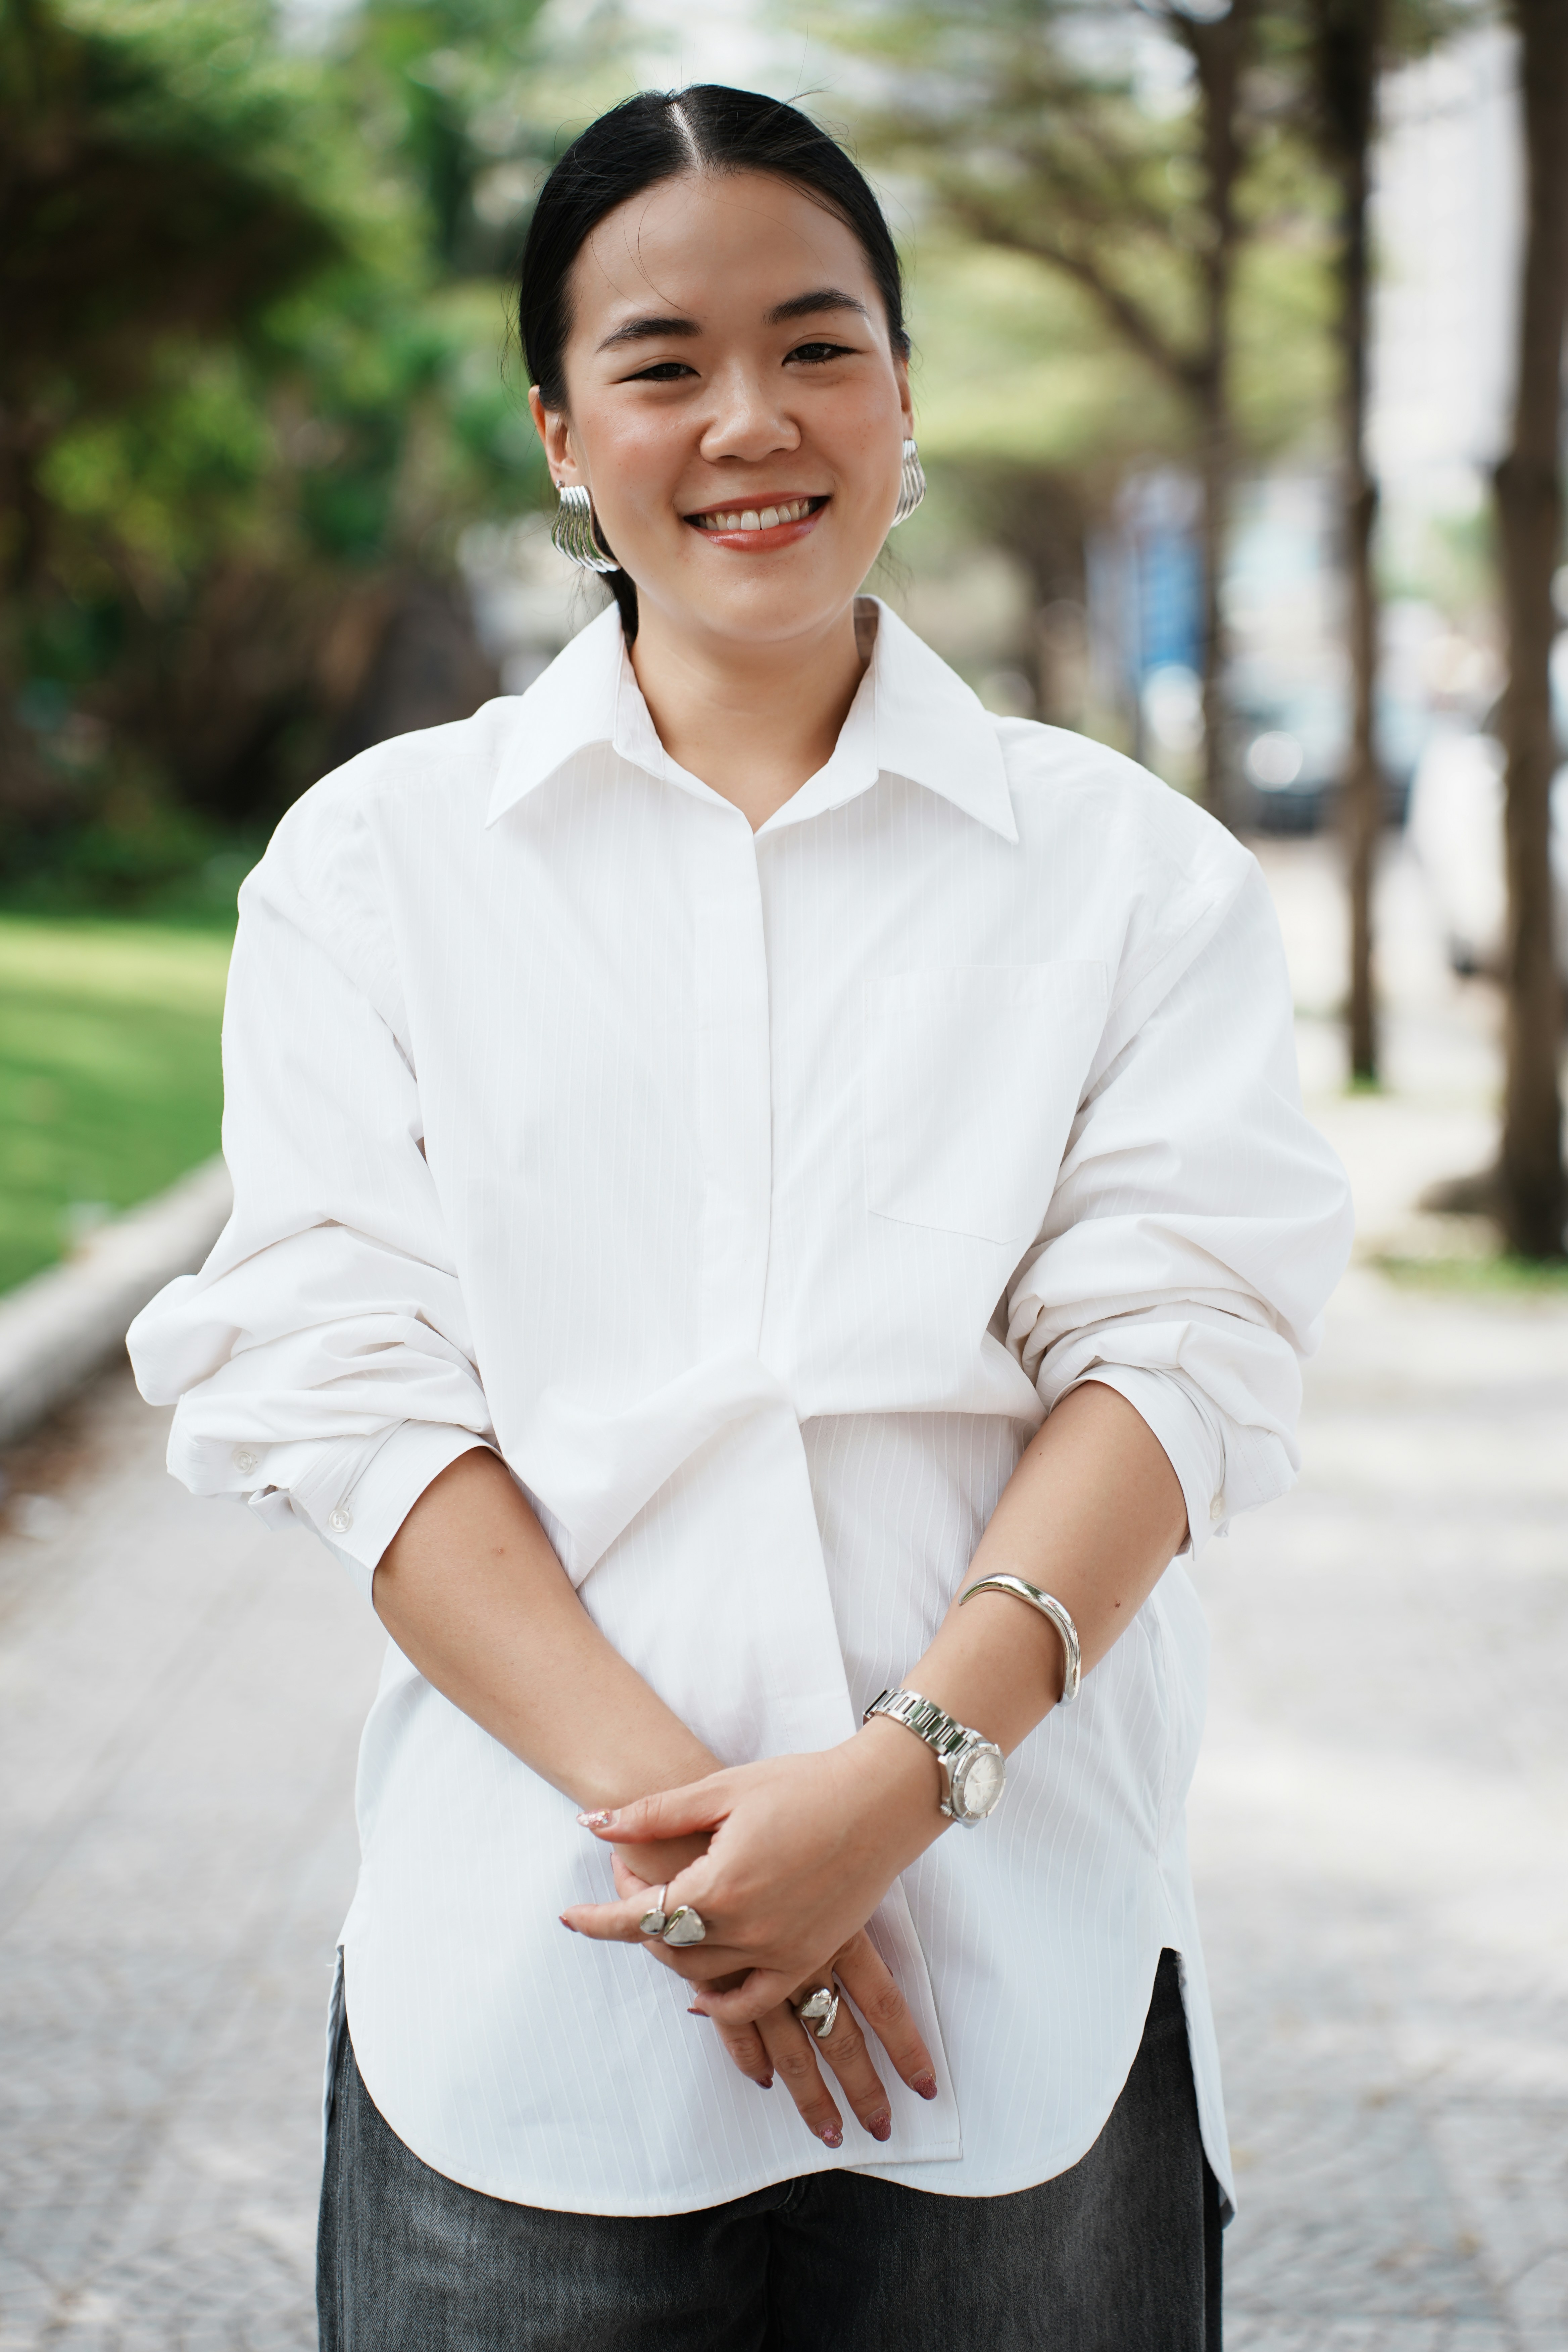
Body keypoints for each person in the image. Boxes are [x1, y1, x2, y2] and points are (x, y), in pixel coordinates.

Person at [128, 83, 1352, 2352]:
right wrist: (698, 1857)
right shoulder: (377, 873)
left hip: (1017, 2004)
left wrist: (906, 1786)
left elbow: (1174, 1350)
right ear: (562, 438)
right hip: (532, 2016)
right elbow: (346, 1378)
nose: (751, 422)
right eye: (662, 365)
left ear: (906, 395)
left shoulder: (1132, 878)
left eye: (818, 345)